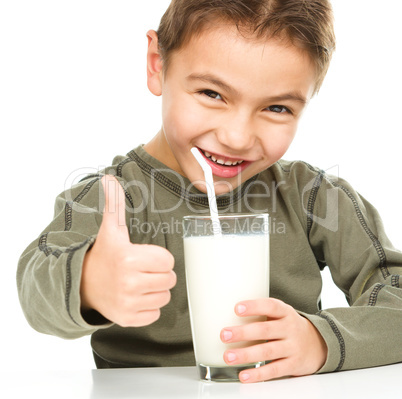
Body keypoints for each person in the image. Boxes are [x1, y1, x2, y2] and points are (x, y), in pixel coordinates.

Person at [17, 0, 402, 384]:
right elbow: (38, 286)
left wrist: (321, 340)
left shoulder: (313, 197)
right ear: (157, 64)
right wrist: (89, 284)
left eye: (277, 108)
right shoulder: (113, 198)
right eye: (211, 93)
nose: (236, 137)